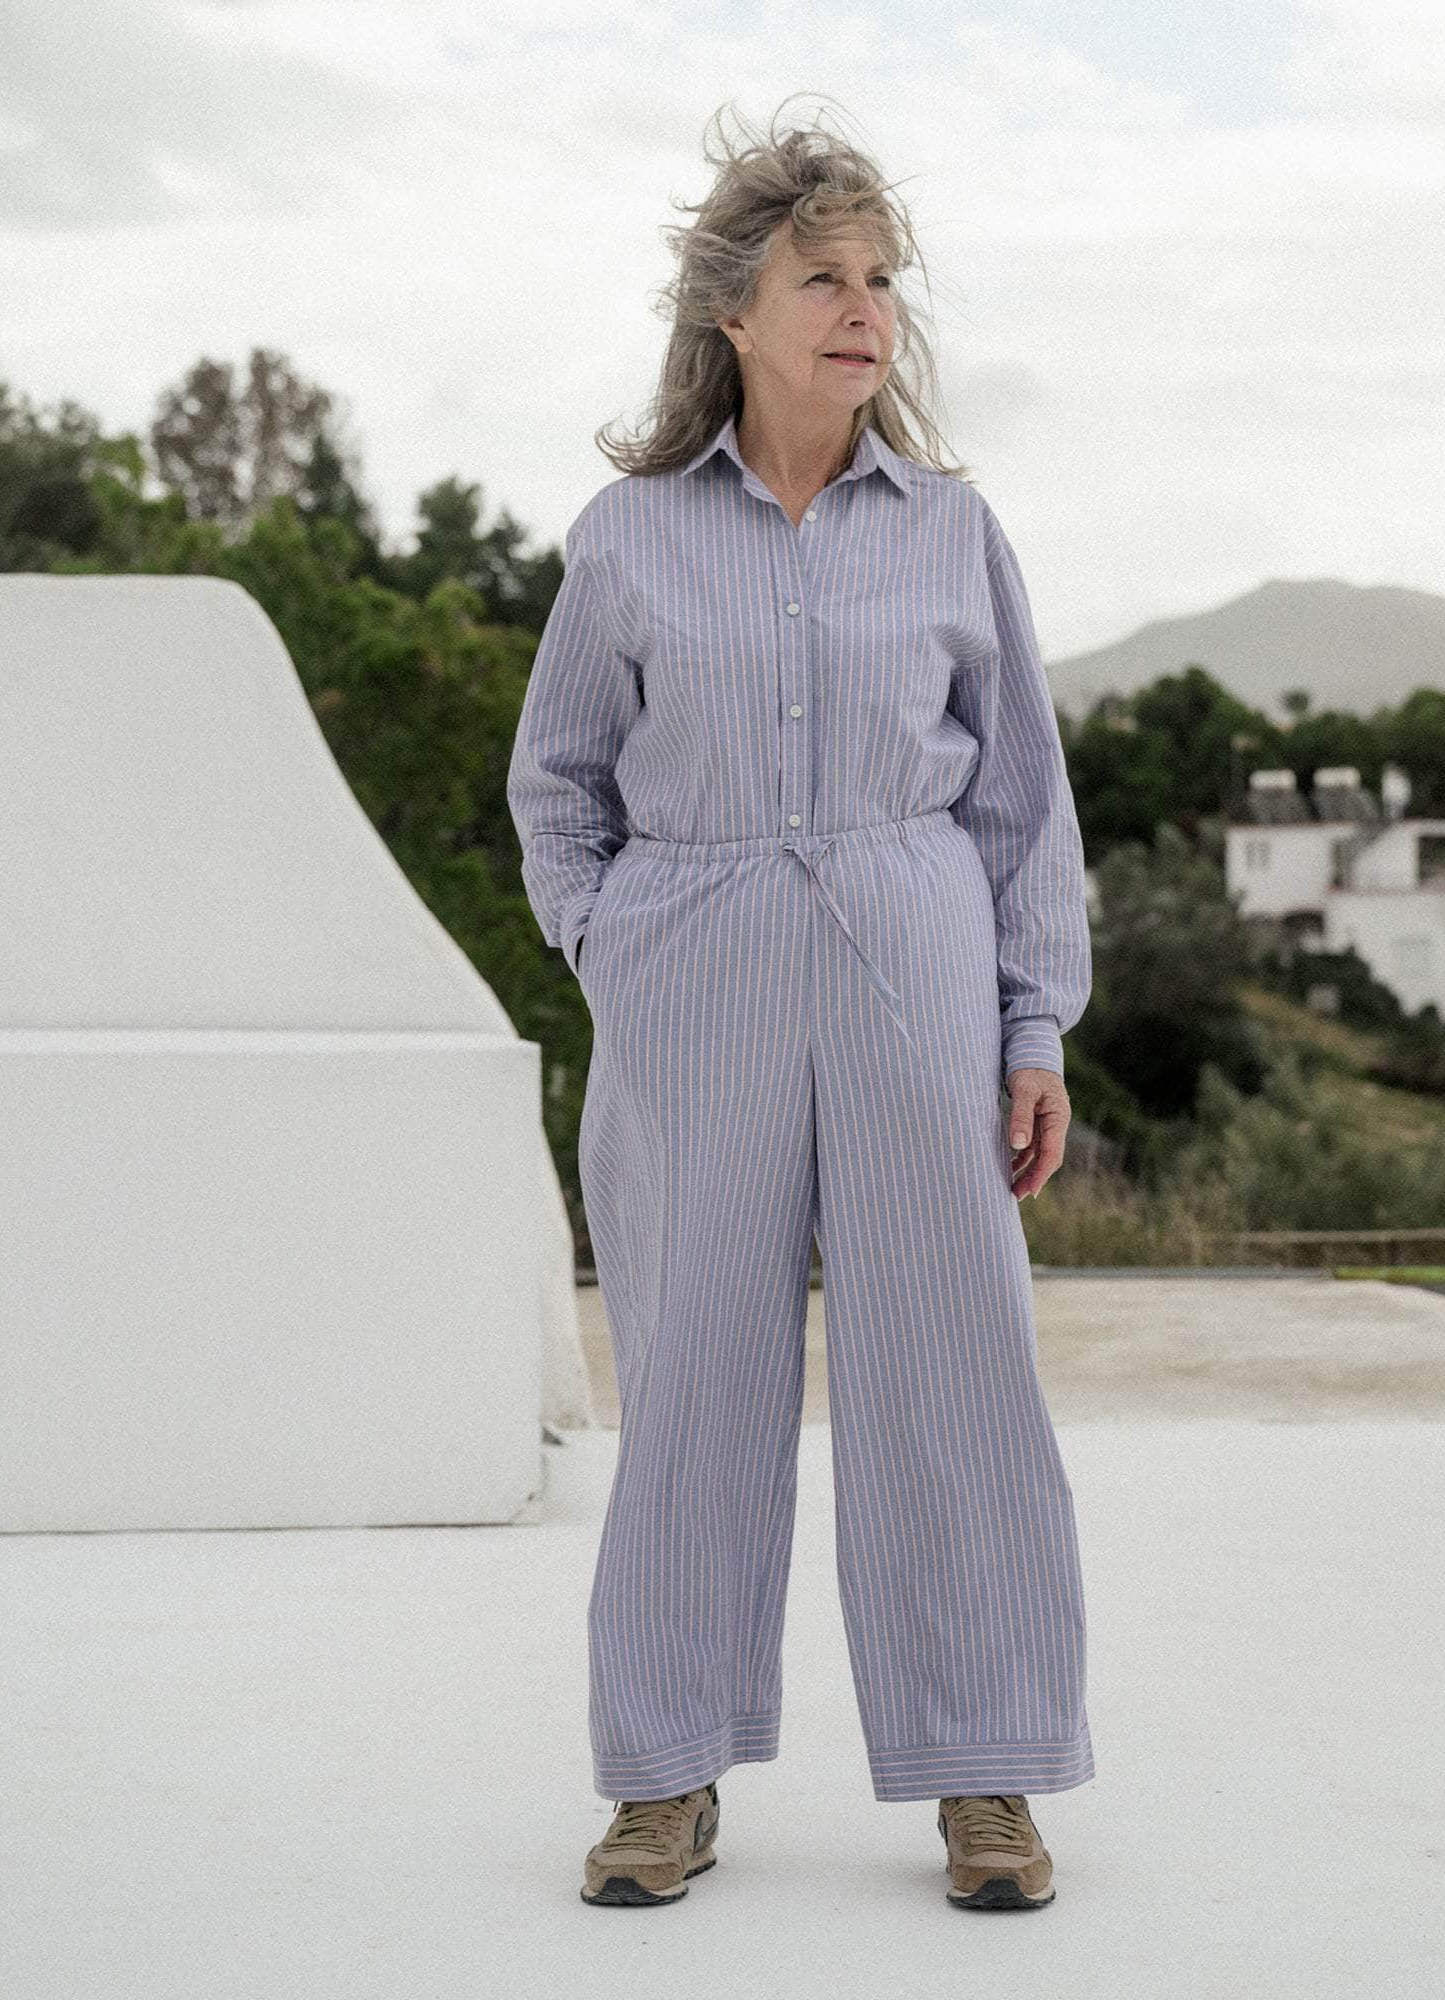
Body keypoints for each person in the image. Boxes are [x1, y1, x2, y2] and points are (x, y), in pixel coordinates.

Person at [507, 98, 1094, 1912]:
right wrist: (618, 946)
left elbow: (1023, 804)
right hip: (693, 979)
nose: (862, 310)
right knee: (694, 1378)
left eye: (882, 281)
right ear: (733, 310)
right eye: (823, 277)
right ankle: (661, 1774)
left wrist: (1031, 1027)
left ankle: (988, 1773)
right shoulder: (626, 536)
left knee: (956, 1378)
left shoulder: (954, 532)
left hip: (915, 966)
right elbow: (556, 785)